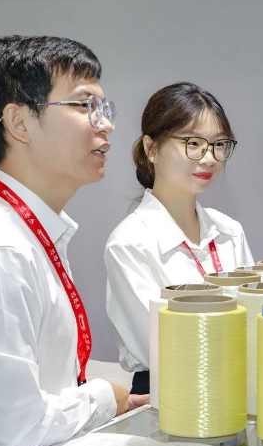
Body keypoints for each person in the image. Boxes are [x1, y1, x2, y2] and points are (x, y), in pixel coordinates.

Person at [0, 36, 149, 446]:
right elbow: (12, 433)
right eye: (84, 106)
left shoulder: (28, 230)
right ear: (19, 123)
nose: (105, 125)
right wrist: (105, 397)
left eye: (104, 108)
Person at [105, 82, 254, 395]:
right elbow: (162, 348)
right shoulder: (130, 243)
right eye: (193, 143)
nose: (209, 158)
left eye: (219, 144)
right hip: (167, 397)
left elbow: (256, 321)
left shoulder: (229, 232)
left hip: (237, 387)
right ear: (151, 149)